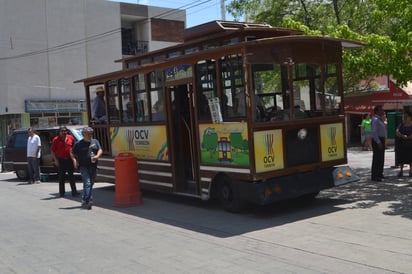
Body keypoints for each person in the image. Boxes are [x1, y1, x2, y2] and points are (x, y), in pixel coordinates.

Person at [71, 127, 103, 210]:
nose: (90, 135)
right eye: (88, 134)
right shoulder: (78, 144)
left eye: (91, 133)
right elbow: (72, 153)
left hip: (93, 166)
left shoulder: (95, 141)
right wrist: (74, 160)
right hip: (83, 166)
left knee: (90, 183)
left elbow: (100, 150)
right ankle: (89, 200)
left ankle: (84, 198)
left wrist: (97, 156)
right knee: (87, 183)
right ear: (83, 134)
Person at [51, 126, 79, 197]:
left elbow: (74, 148)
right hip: (61, 160)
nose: (64, 132)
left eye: (65, 131)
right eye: (62, 131)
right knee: (61, 177)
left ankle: (74, 192)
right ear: (59, 132)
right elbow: (52, 151)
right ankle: (62, 193)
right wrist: (56, 160)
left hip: (69, 159)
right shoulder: (56, 139)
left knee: (71, 176)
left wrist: (74, 159)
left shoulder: (70, 138)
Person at [370, 105, 387, 182]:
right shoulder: (375, 119)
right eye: (381, 110)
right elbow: (374, 132)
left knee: (381, 157)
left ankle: (380, 173)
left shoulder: (380, 119)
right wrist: (378, 142)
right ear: (377, 111)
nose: (383, 111)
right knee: (377, 158)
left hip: (382, 139)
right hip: (377, 140)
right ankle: (375, 175)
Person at [395, 111, 412, 177]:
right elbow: (396, 131)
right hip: (402, 143)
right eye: (404, 117)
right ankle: (401, 171)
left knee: (410, 158)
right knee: (401, 158)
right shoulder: (401, 124)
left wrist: (408, 137)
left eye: (406, 116)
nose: (404, 118)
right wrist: (402, 135)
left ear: (410, 117)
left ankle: (411, 171)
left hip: (410, 143)